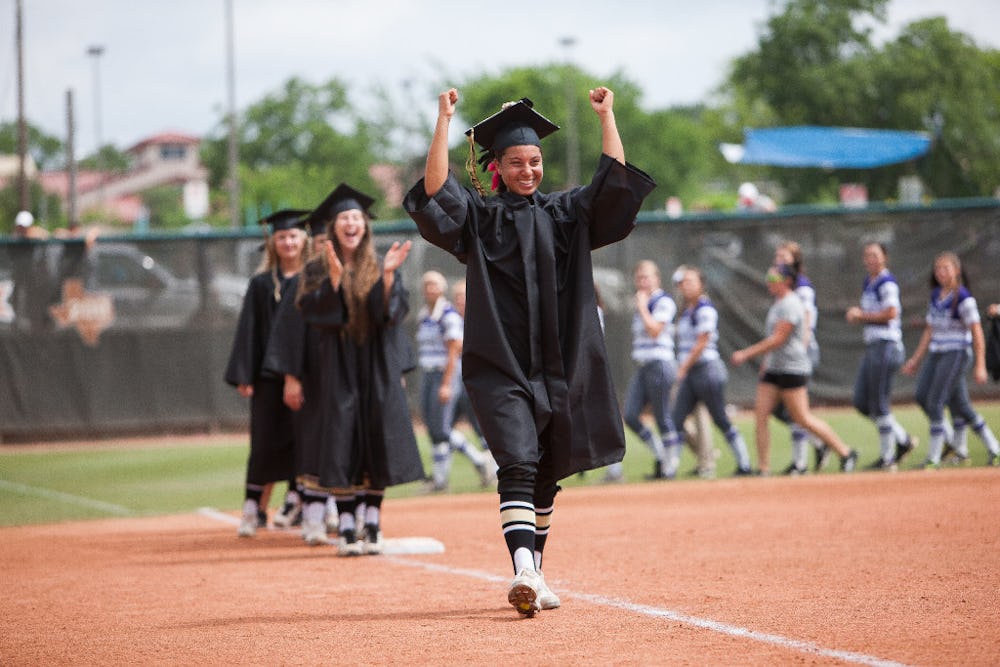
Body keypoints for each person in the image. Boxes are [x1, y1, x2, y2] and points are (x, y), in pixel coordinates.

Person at [404, 88, 655, 615]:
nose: (528, 170)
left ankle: (535, 574)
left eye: (535, 161)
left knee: (546, 474)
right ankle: (523, 569)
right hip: (501, 366)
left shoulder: (566, 215)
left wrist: (607, 116)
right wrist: (444, 121)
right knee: (517, 461)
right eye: (516, 162)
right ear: (496, 167)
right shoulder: (481, 220)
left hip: (560, 366)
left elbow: (611, 182)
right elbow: (435, 191)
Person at [296, 183, 424, 556]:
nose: (351, 223)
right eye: (344, 218)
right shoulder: (317, 269)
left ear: (364, 226)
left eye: (357, 218)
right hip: (338, 364)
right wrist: (335, 280)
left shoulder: (380, 264)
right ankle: (347, 524)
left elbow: (391, 315)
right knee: (342, 441)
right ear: (334, 227)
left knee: (377, 438)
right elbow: (313, 315)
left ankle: (372, 520)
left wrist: (386, 278)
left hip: (377, 364)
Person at [224, 209, 310, 537]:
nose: (288, 241)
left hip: (305, 374)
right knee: (264, 442)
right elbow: (249, 330)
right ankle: (253, 508)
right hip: (267, 376)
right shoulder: (262, 284)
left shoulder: (312, 279)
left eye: (293, 236)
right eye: (282, 236)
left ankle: (298, 503)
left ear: (303, 240)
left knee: (304, 441)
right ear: (273, 242)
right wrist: (244, 373)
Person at [731, 263, 859, 476]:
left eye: (773, 279)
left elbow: (778, 339)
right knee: (760, 416)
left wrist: (746, 354)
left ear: (787, 281)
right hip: (774, 368)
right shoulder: (777, 303)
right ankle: (763, 468)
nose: (769, 283)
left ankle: (845, 452)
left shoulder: (791, 304)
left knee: (802, 418)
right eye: (768, 279)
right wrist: (765, 363)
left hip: (792, 368)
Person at [901, 252, 999, 468]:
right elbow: (929, 330)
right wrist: (916, 359)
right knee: (930, 398)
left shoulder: (964, 298)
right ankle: (994, 448)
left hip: (956, 353)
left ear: (956, 270)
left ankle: (935, 457)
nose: (941, 273)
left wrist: (980, 364)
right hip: (937, 352)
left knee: (936, 401)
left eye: (946, 268)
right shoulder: (936, 295)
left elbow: (977, 332)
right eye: (938, 269)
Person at [670, 266, 752, 476]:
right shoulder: (687, 310)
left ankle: (745, 463)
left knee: (719, 418)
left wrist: (683, 368)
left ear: (701, 284)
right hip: (691, 372)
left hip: (707, 371)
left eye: (690, 282)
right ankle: (669, 469)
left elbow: (702, 342)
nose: (685, 286)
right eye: (683, 283)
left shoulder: (705, 308)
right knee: (677, 419)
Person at [845, 242, 919, 471]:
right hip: (874, 347)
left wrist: (861, 316)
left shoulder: (887, 283)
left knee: (879, 402)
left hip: (886, 345)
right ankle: (903, 440)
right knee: (861, 401)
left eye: (875, 255)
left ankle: (888, 458)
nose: (871, 259)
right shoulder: (869, 282)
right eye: (867, 255)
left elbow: (891, 313)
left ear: (884, 258)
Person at [417, 270, 493, 491]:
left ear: (441, 289)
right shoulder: (424, 314)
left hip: (445, 373)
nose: (430, 289)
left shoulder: (448, 315)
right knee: (433, 429)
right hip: (428, 372)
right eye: (426, 285)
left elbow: (453, 350)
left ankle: (479, 460)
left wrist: (446, 383)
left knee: (442, 428)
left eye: (434, 285)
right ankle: (440, 481)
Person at [609, 260, 678, 481]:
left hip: (660, 363)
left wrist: (640, 306)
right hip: (643, 365)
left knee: (662, 416)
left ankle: (670, 467)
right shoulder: (644, 301)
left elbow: (655, 330)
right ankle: (660, 454)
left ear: (657, 279)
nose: (642, 282)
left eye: (646, 277)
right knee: (629, 414)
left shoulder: (663, 302)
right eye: (639, 278)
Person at [771, 241, 825, 475]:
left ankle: (801, 462)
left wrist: (800, 353)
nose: (779, 259)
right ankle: (818, 444)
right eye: (778, 255)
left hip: (800, 353)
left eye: (785, 256)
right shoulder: (781, 287)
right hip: (786, 355)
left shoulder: (802, 287)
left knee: (797, 410)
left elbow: (807, 321)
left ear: (795, 260)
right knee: (784, 410)